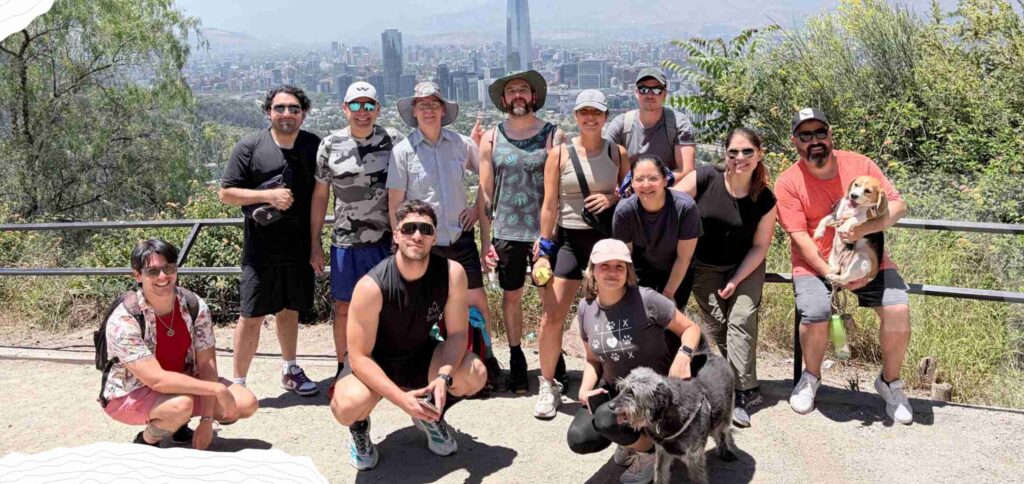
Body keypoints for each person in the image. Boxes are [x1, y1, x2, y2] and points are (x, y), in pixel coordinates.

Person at [775, 108, 913, 424]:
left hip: (868, 257)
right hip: (816, 264)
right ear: (795, 141)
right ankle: (811, 377)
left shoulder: (859, 164)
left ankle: (890, 382)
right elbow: (799, 237)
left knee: (897, 310)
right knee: (815, 314)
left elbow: (898, 205)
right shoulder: (788, 181)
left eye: (820, 133)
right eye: (805, 136)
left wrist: (864, 229)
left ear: (830, 134)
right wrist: (829, 272)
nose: (814, 141)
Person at [330, 200, 488, 470]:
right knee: (346, 405)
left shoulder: (452, 274)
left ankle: (430, 412)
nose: (417, 235)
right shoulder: (371, 286)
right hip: (375, 362)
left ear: (434, 237)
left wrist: (442, 378)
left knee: (475, 373)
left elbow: (458, 335)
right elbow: (358, 357)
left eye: (425, 230)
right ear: (396, 234)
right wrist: (401, 400)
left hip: (420, 355)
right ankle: (360, 427)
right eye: (409, 229)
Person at [386, 81, 497, 391]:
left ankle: (485, 360)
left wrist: (476, 209)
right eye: (422, 104)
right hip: (424, 245)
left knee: (477, 301)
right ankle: (427, 366)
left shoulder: (463, 144)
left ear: (443, 110)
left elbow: (488, 181)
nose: (428, 109)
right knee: (425, 308)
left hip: (460, 239)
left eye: (434, 103)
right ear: (414, 111)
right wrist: (400, 243)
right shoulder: (403, 151)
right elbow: (395, 203)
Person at [565, 239, 702, 483]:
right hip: (616, 389)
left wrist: (684, 354)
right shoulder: (586, 308)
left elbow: (691, 329)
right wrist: (586, 389)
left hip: (653, 391)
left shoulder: (646, 299)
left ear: (628, 271)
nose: (612, 271)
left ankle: (650, 452)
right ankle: (632, 440)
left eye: (620, 266)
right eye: (604, 265)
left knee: (608, 419)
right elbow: (592, 360)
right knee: (580, 437)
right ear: (592, 269)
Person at [101, 239, 258, 449]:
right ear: (138, 275)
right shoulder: (125, 319)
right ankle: (147, 439)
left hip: (183, 380)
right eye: (153, 271)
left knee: (246, 403)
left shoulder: (193, 305)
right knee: (181, 405)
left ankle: (178, 424)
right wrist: (217, 390)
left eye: (169, 268)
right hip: (131, 392)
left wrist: (207, 420)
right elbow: (156, 380)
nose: (163, 276)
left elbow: (206, 365)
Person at [219, 85, 321, 397]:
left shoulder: (313, 145)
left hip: (299, 246)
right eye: (280, 108)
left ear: (303, 113)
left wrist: (316, 245)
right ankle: (238, 383)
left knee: (290, 310)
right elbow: (226, 193)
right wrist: (268, 196)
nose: (287, 114)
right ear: (268, 112)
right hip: (259, 250)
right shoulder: (250, 146)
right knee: (251, 315)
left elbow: (321, 195)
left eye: (293, 108)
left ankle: (290, 368)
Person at [535, 89, 630, 419]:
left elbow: (625, 193)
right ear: (575, 116)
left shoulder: (617, 152)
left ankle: (612, 378)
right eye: (584, 112)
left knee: (613, 316)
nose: (591, 118)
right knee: (551, 316)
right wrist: (543, 249)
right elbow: (549, 204)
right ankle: (548, 384)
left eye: (597, 113)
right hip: (569, 242)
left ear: (605, 117)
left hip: (605, 243)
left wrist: (611, 198)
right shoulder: (558, 155)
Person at [676, 128, 777, 428]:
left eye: (748, 152)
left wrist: (736, 280)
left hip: (745, 264)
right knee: (718, 325)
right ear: (725, 154)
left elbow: (760, 246)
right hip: (704, 266)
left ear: (759, 154)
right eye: (733, 152)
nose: (740, 158)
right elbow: (670, 203)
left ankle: (742, 392)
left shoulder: (765, 198)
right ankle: (737, 381)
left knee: (741, 319)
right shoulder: (706, 178)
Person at [311, 81, 404, 399]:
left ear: (378, 109)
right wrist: (315, 243)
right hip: (345, 243)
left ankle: (387, 365)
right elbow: (320, 195)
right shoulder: (329, 145)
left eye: (369, 105)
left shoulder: (393, 140)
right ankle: (344, 365)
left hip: (386, 241)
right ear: (345, 108)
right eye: (356, 105)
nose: (362, 112)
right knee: (343, 308)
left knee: (389, 307)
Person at [478, 70, 565, 394]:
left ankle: (551, 357)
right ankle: (516, 356)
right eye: (511, 91)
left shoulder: (553, 136)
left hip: (542, 233)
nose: (517, 95)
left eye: (523, 90)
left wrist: (551, 235)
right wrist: (486, 241)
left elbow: (558, 190)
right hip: (507, 231)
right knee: (511, 296)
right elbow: (485, 193)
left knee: (548, 298)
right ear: (503, 100)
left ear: (534, 97)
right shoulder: (491, 138)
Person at [612, 154, 701, 311]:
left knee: (670, 322)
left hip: (677, 270)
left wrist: (667, 295)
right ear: (632, 183)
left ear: (665, 180)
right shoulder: (624, 211)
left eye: (653, 178)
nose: (646, 185)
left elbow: (684, 257)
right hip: (641, 270)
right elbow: (626, 257)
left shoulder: (685, 208)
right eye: (639, 179)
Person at [603, 67, 698, 180]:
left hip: (668, 192)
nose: (650, 95)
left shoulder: (678, 124)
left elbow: (687, 171)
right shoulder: (621, 125)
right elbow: (605, 165)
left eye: (657, 90)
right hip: (629, 193)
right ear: (636, 92)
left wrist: (653, 185)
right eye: (644, 90)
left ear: (665, 94)